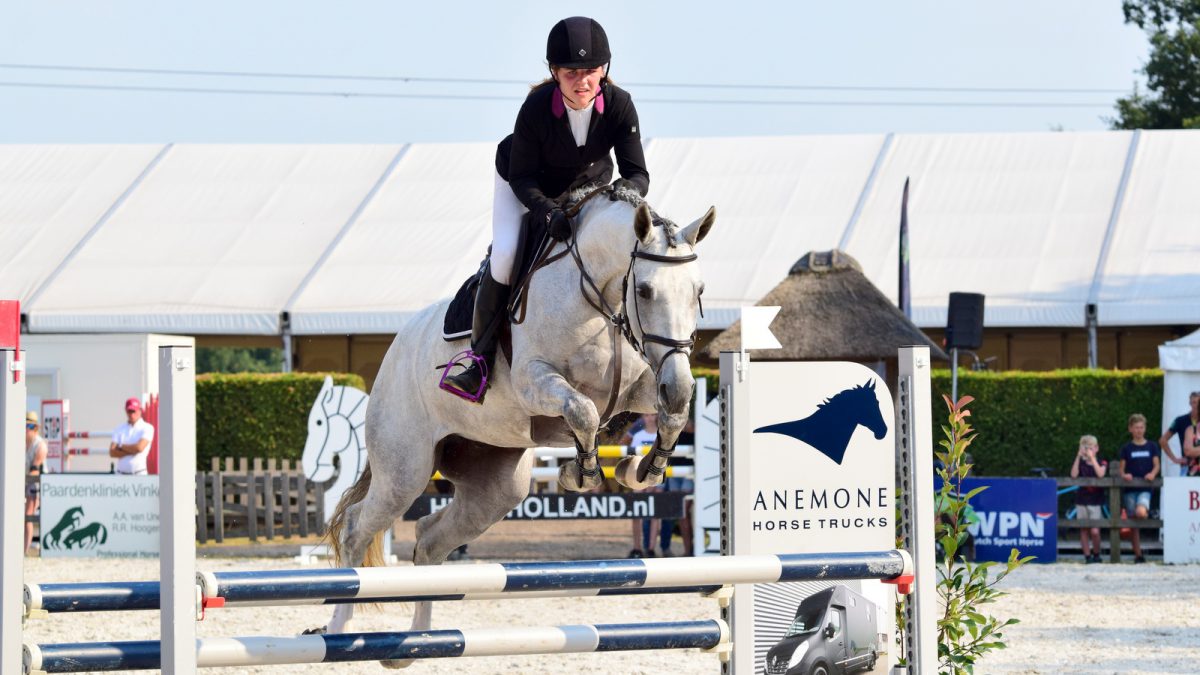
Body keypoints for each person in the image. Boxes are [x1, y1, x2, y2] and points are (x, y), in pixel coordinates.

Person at [441, 16, 649, 402]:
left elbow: (638, 174)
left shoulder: (620, 105)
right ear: (554, 71)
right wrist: (548, 213)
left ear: (604, 69)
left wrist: (625, 194)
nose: (582, 80)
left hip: (586, 187)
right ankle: (479, 362)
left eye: (590, 71)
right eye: (571, 72)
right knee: (505, 255)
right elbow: (522, 178)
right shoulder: (537, 106)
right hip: (524, 184)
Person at [1118, 413, 1159, 563]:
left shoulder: (1152, 446)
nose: (1139, 430)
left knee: (1140, 513)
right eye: (1136, 427)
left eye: (1141, 427)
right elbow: (1121, 469)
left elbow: (1156, 465)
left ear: (1145, 428)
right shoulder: (1126, 448)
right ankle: (1138, 555)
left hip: (1145, 487)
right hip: (1130, 489)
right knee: (1133, 524)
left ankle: (1151, 513)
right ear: (1130, 429)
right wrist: (1124, 475)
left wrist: (1153, 474)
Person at [623, 413, 660, 558]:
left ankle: (651, 548)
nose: (649, 418)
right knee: (636, 514)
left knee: (655, 515)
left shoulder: (660, 436)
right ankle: (637, 547)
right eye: (646, 415)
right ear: (643, 418)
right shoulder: (638, 436)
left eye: (651, 415)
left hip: (655, 479)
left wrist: (652, 481)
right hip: (638, 479)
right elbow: (633, 462)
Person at [1069, 434, 1107, 563]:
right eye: (1086, 448)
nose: (1089, 450)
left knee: (1095, 531)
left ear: (1096, 448)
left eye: (1091, 447)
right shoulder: (1080, 462)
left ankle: (1097, 554)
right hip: (1081, 500)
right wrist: (1079, 456)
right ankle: (1087, 556)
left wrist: (1092, 459)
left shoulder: (1102, 461)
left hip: (1096, 501)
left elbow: (1101, 474)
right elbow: (1073, 475)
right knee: (1084, 530)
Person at [109, 397, 155, 475]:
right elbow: (112, 452)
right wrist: (133, 451)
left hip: (139, 473)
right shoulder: (119, 428)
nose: (132, 414)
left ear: (140, 410)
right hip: (120, 474)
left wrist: (120, 446)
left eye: (134, 411)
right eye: (129, 411)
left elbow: (139, 448)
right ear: (126, 411)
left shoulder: (147, 427)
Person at [24, 411, 48, 555]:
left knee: (28, 515)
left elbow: (34, 470)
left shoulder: (40, 445)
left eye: (31, 425)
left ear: (35, 428)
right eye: (26, 425)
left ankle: (25, 552)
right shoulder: (19, 442)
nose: (28, 428)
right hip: (24, 481)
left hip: (37, 484)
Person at [1161, 391, 1200, 476]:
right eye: (1193, 402)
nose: (1196, 405)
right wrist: (1174, 459)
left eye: (1197, 402)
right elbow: (1163, 440)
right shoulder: (1180, 420)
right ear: (1189, 403)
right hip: (1188, 468)